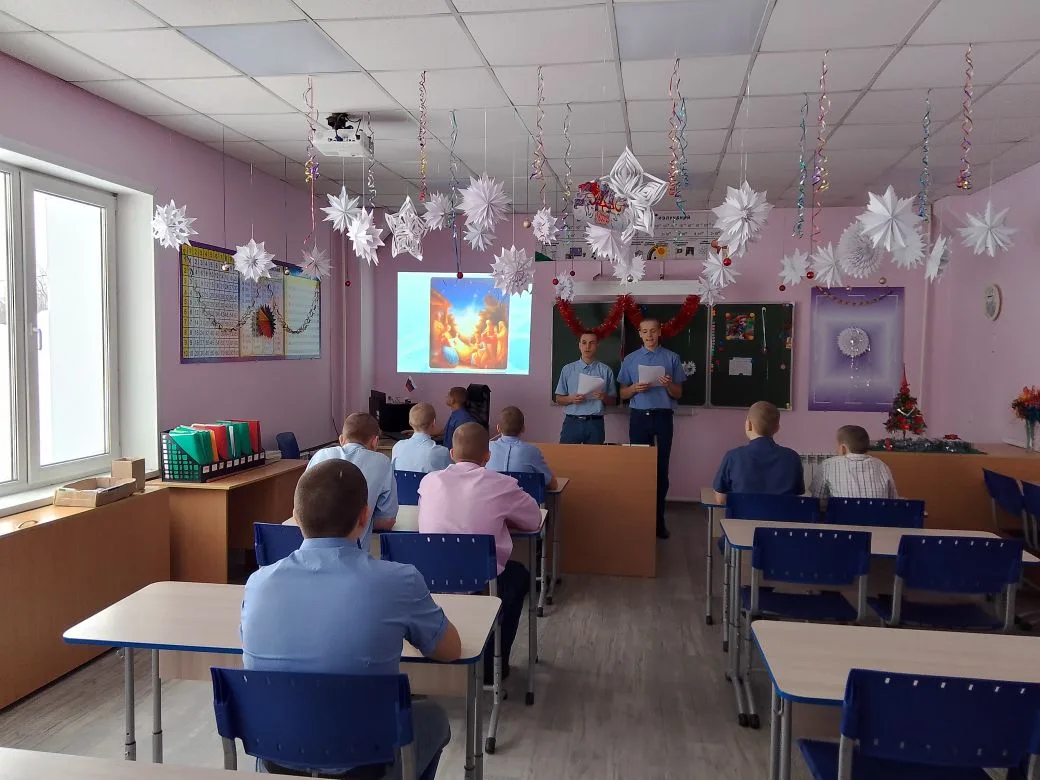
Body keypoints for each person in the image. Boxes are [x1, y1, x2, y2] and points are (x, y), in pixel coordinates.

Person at [241, 460, 461, 780]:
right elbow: (450, 650)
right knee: (435, 717)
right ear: (364, 516)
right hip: (363, 763)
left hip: (275, 760)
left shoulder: (258, 583)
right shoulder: (399, 580)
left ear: (296, 515)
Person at [417, 422, 542, 684]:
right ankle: (493, 667)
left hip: (431, 577)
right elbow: (533, 521)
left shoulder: (429, 482)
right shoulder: (501, 485)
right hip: (481, 580)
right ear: (488, 456)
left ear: (452, 453)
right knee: (518, 575)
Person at [618, 318, 686, 539]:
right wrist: (634, 389)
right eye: (645, 331)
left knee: (661, 469)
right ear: (639, 333)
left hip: (663, 417)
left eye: (653, 331)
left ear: (659, 332)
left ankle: (658, 521)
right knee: (639, 469)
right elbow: (622, 393)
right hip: (639, 417)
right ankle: (639, 519)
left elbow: (678, 393)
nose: (649, 335)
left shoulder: (671, 358)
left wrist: (668, 385)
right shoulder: (630, 359)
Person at [307, 412, 397, 549]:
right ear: (375, 442)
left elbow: (301, 509)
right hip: (354, 552)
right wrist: (364, 519)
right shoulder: (382, 462)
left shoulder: (319, 456)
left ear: (341, 439)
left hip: (311, 551)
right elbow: (387, 522)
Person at [713, 401, 803, 503]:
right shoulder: (793, 457)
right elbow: (797, 494)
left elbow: (720, 500)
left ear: (748, 425)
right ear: (777, 428)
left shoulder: (733, 457)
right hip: (782, 514)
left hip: (743, 513)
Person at [554, 331, 617, 445]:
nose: (587, 346)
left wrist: (604, 397)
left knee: (594, 456)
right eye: (584, 343)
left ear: (597, 346)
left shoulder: (606, 371)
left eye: (592, 343)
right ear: (579, 345)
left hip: (595, 423)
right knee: (566, 455)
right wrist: (571, 399)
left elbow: (613, 401)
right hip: (572, 422)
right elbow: (558, 399)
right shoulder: (567, 369)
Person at [811, 424, 898, 501]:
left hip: (841, 514)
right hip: (878, 514)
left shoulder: (828, 465)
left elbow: (817, 500)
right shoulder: (882, 465)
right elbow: (893, 499)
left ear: (843, 448)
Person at [487, 406, 553, 486]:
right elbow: (551, 484)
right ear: (523, 428)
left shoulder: (486, 448)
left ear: (498, 428)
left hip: (490, 494)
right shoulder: (532, 451)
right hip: (522, 494)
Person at [391, 402, 452, 474]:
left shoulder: (397, 447)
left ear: (410, 422)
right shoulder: (442, 452)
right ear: (434, 422)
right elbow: (450, 476)